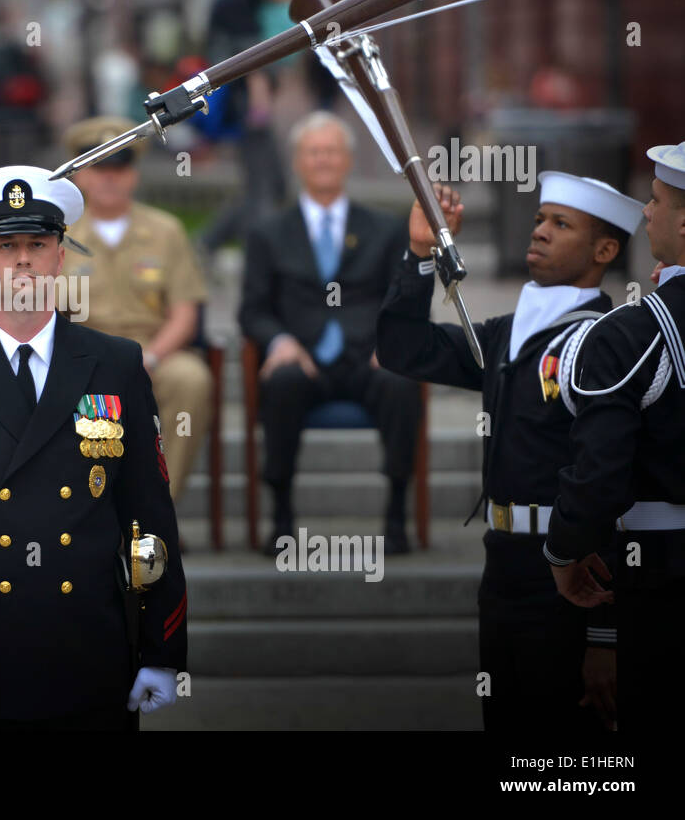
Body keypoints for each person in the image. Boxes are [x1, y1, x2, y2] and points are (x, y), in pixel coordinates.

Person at [0, 165, 188, 730]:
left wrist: (162, 648)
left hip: (93, 644)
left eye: (38, 244)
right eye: (5, 245)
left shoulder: (115, 362)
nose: (22, 260)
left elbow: (148, 522)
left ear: (61, 257)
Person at [377, 172, 643, 731]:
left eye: (561, 224)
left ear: (605, 250)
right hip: (502, 566)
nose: (540, 231)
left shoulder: (603, 341)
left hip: (569, 577)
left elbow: (610, 491)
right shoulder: (509, 333)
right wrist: (420, 254)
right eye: (541, 218)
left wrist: (604, 637)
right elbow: (405, 349)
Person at [548, 141, 685, 731]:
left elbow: (599, 475)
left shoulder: (631, 334)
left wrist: (564, 550)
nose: (646, 213)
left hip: (661, 575)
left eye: (656, 201)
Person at [239, 111, 419, 554]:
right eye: (313, 152)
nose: (323, 160)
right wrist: (280, 342)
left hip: (367, 358)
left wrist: (390, 342)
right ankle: (281, 518)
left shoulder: (384, 228)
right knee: (280, 382)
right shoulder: (268, 232)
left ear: (348, 161)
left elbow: (404, 299)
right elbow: (252, 310)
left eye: (332, 151)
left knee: (401, 382)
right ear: (298, 161)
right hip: (301, 360)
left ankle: (397, 516)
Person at [62, 116, 213, 504]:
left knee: (191, 379)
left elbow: (184, 311)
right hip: (84, 356)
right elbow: (47, 315)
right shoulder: (57, 236)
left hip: (152, 355)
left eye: (119, 167)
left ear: (133, 175)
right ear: (80, 177)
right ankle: (92, 518)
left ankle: (159, 512)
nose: (109, 178)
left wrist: (154, 356)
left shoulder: (166, 231)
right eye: (98, 168)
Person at [200, 0, 288, 252]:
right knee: (264, 188)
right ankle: (252, 256)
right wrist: (260, 101)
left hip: (249, 102)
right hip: (245, 103)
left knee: (269, 184)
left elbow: (282, 3)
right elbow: (250, 57)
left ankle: (207, 244)